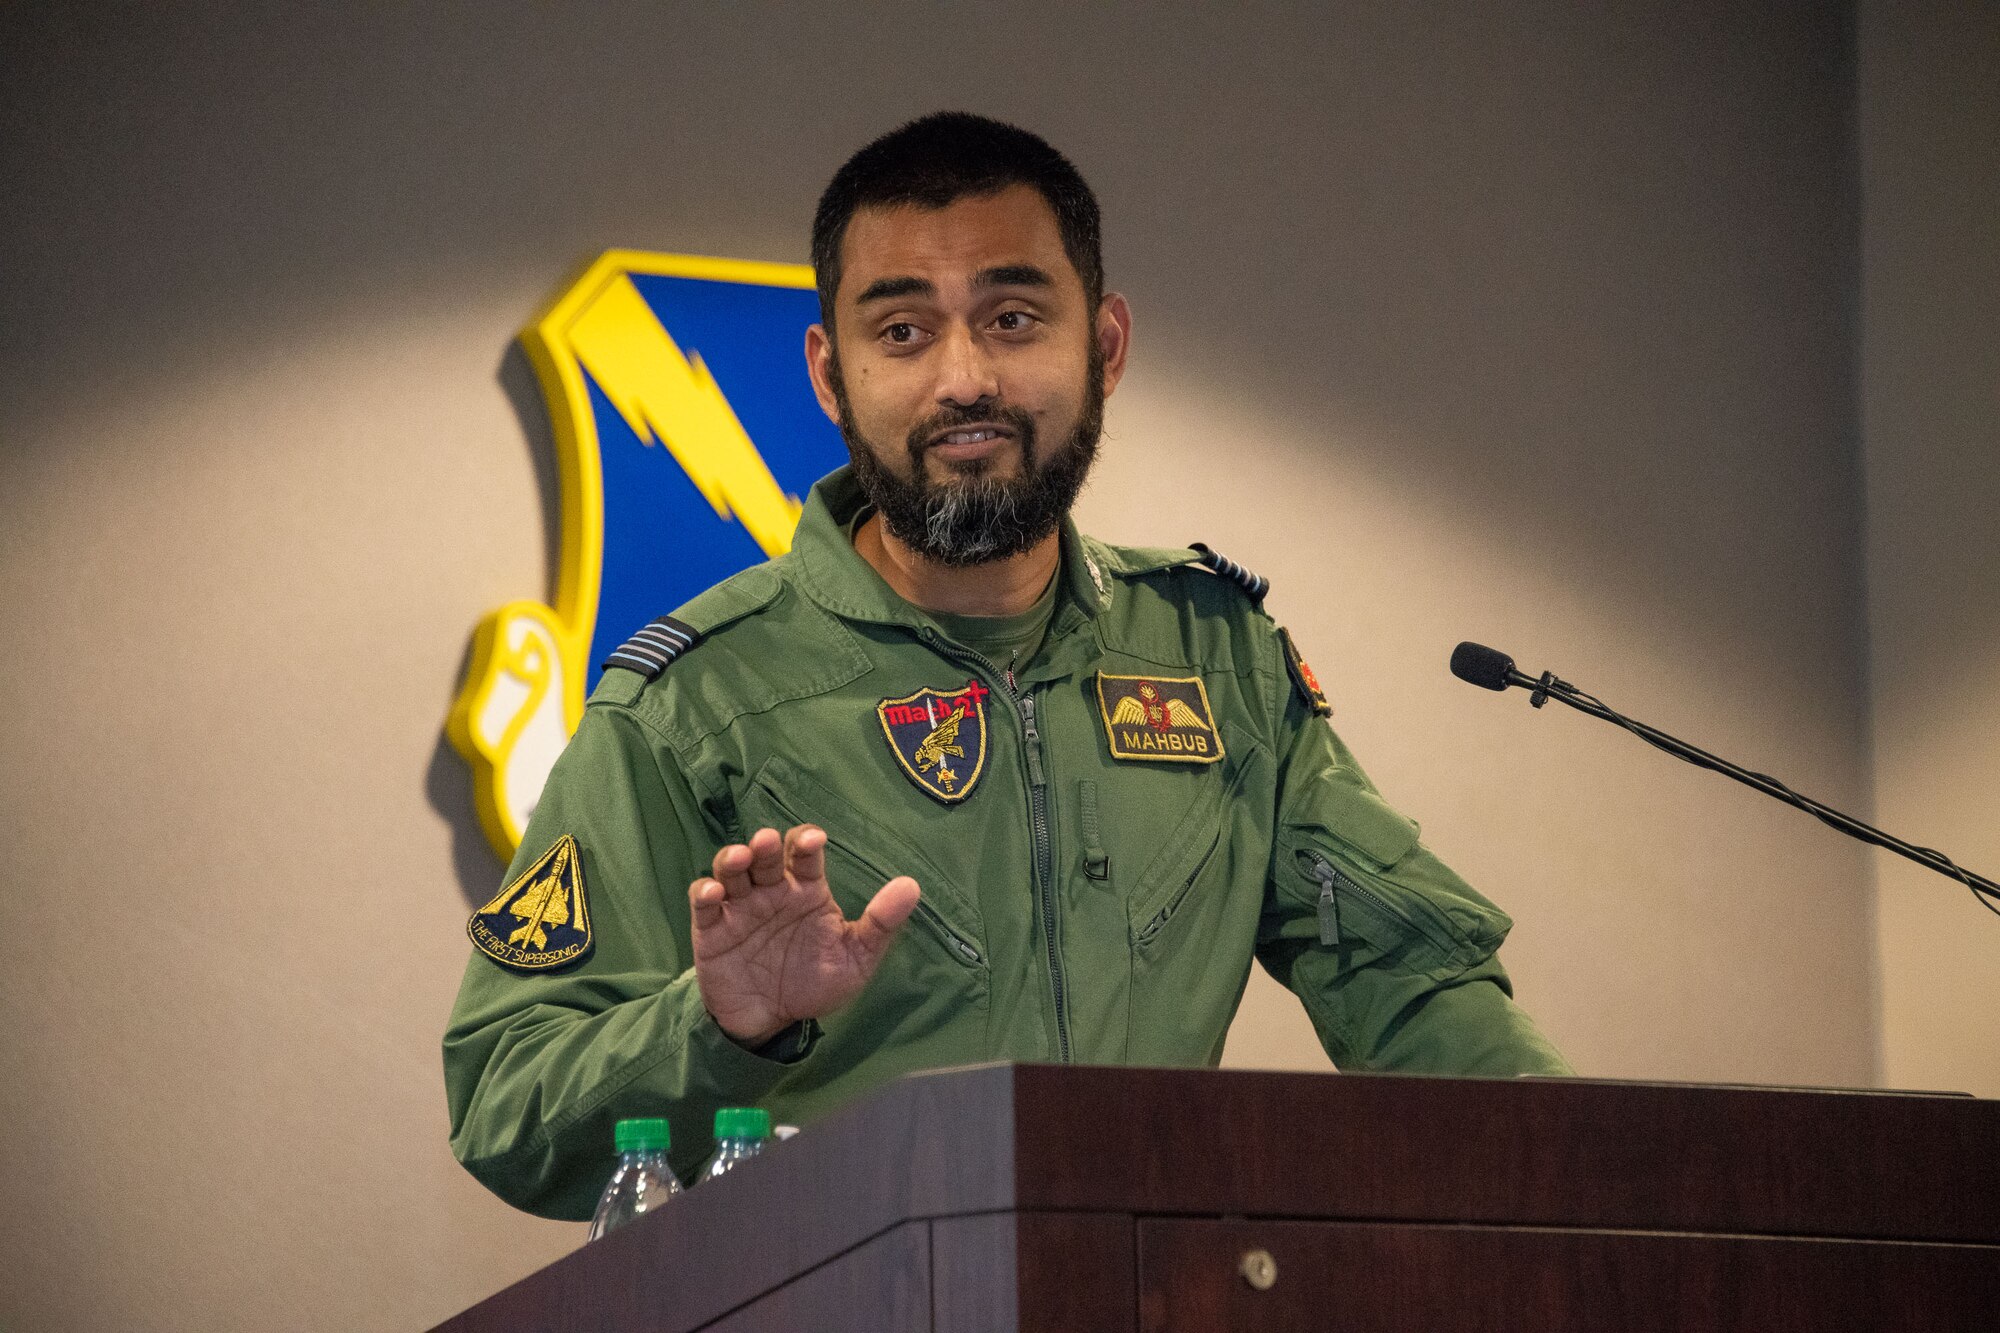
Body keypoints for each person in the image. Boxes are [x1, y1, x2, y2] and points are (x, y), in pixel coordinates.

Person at [444, 111, 1572, 1220]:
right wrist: (721, 1024)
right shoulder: (691, 702)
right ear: (830, 377)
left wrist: (1599, 1175)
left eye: (1013, 317)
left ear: (1106, 348)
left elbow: (1415, 985)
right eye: (902, 333)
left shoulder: (1215, 657)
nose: (963, 378)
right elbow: (505, 1101)